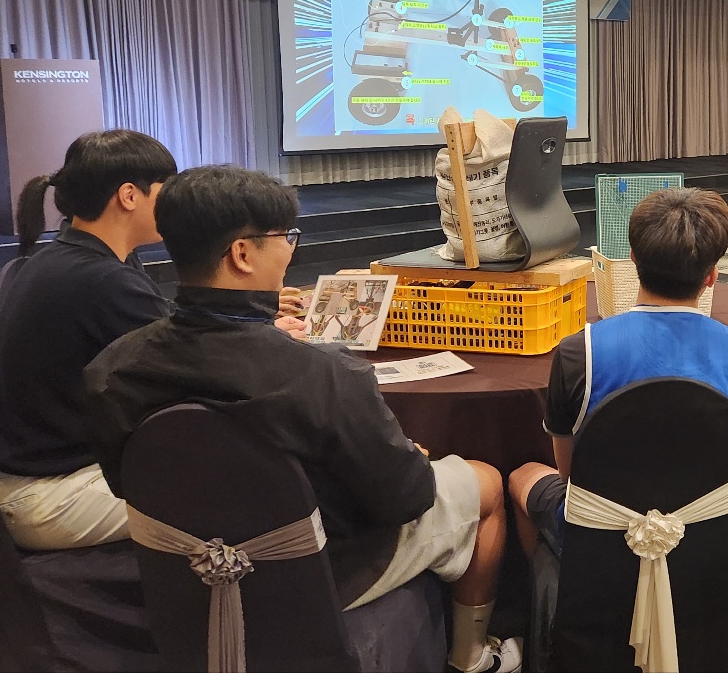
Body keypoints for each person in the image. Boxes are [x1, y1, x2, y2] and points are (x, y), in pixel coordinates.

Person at [85, 166, 519, 673]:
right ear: (242, 254)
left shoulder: (112, 368)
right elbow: (406, 498)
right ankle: (472, 656)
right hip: (329, 572)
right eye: (285, 237)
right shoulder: (325, 374)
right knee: (485, 482)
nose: (290, 250)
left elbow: (128, 482)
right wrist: (411, 459)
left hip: (182, 572)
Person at [507, 187, 728, 594]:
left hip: (604, 537)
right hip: (712, 536)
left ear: (631, 260)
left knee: (522, 475)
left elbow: (570, 473)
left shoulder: (579, 352)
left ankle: (553, 598)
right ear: (712, 275)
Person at [0, 130, 182, 551]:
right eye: (167, 190)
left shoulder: (66, 258)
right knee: (240, 483)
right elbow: (193, 361)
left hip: (21, 475)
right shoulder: (103, 278)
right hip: (50, 493)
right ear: (129, 195)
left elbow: (165, 332)